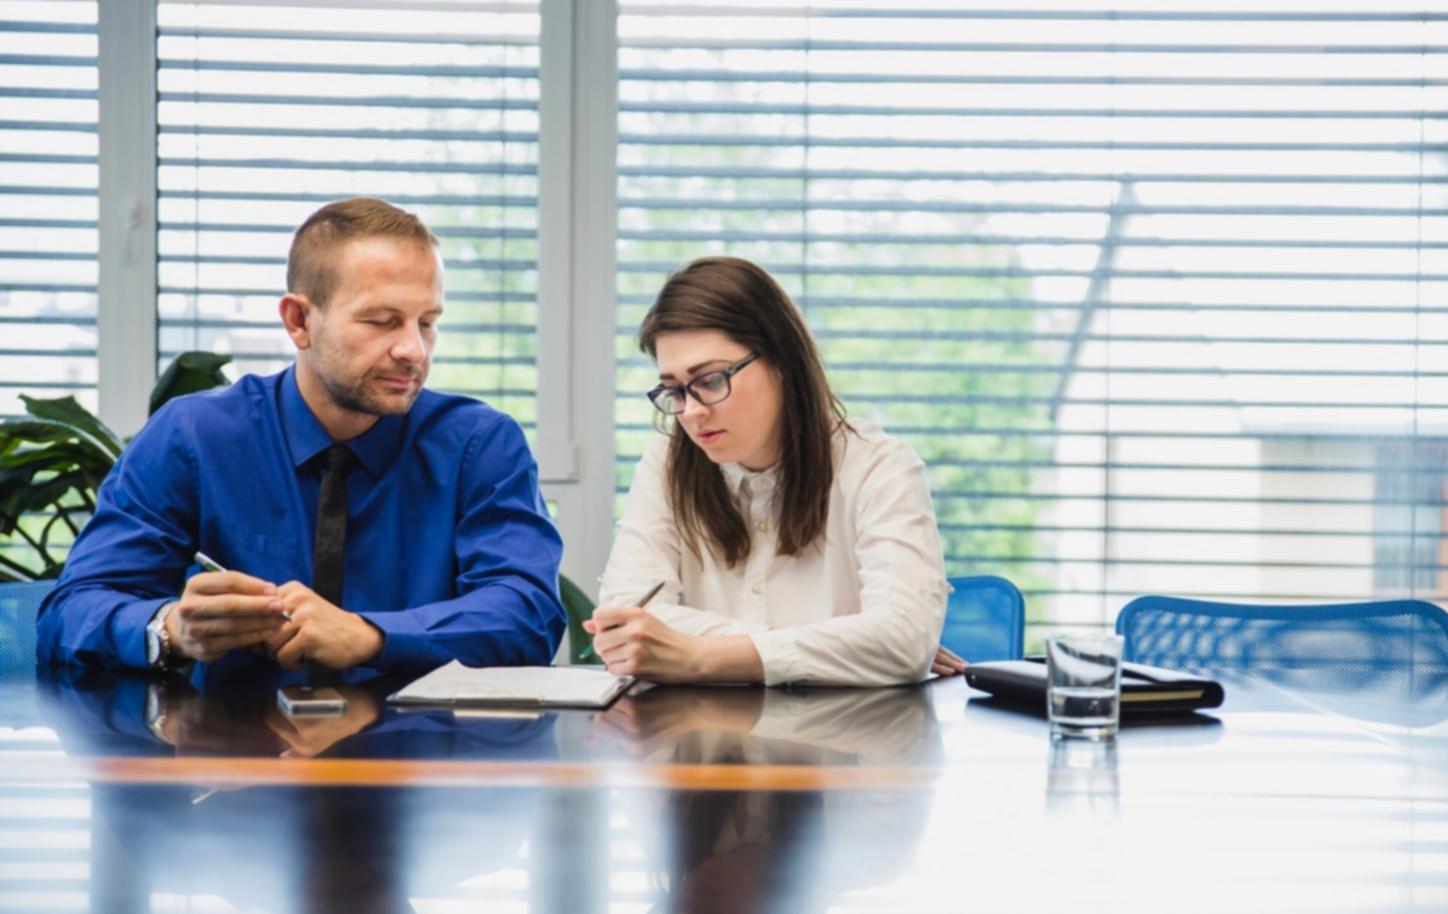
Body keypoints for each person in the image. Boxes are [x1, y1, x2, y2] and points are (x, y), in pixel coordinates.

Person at [36, 197, 564, 676]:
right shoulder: (192, 437)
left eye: (426, 322)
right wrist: (170, 628)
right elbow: (71, 611)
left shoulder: (480, 446)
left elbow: (528, 613)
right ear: (299, 322)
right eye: (382, 321)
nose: (414, 350)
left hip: (422, 746)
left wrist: (370, 636)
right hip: (230, 745)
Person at [588, 256, 964, 686]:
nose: (690, 412)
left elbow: (902, 640)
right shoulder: (667, 463)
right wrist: (844, 645)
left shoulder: (880, 467)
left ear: (782, 361)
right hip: (696, 728)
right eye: (674, 390)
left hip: (845, 728)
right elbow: (628, 621)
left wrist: (697, 655)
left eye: (710, 380)